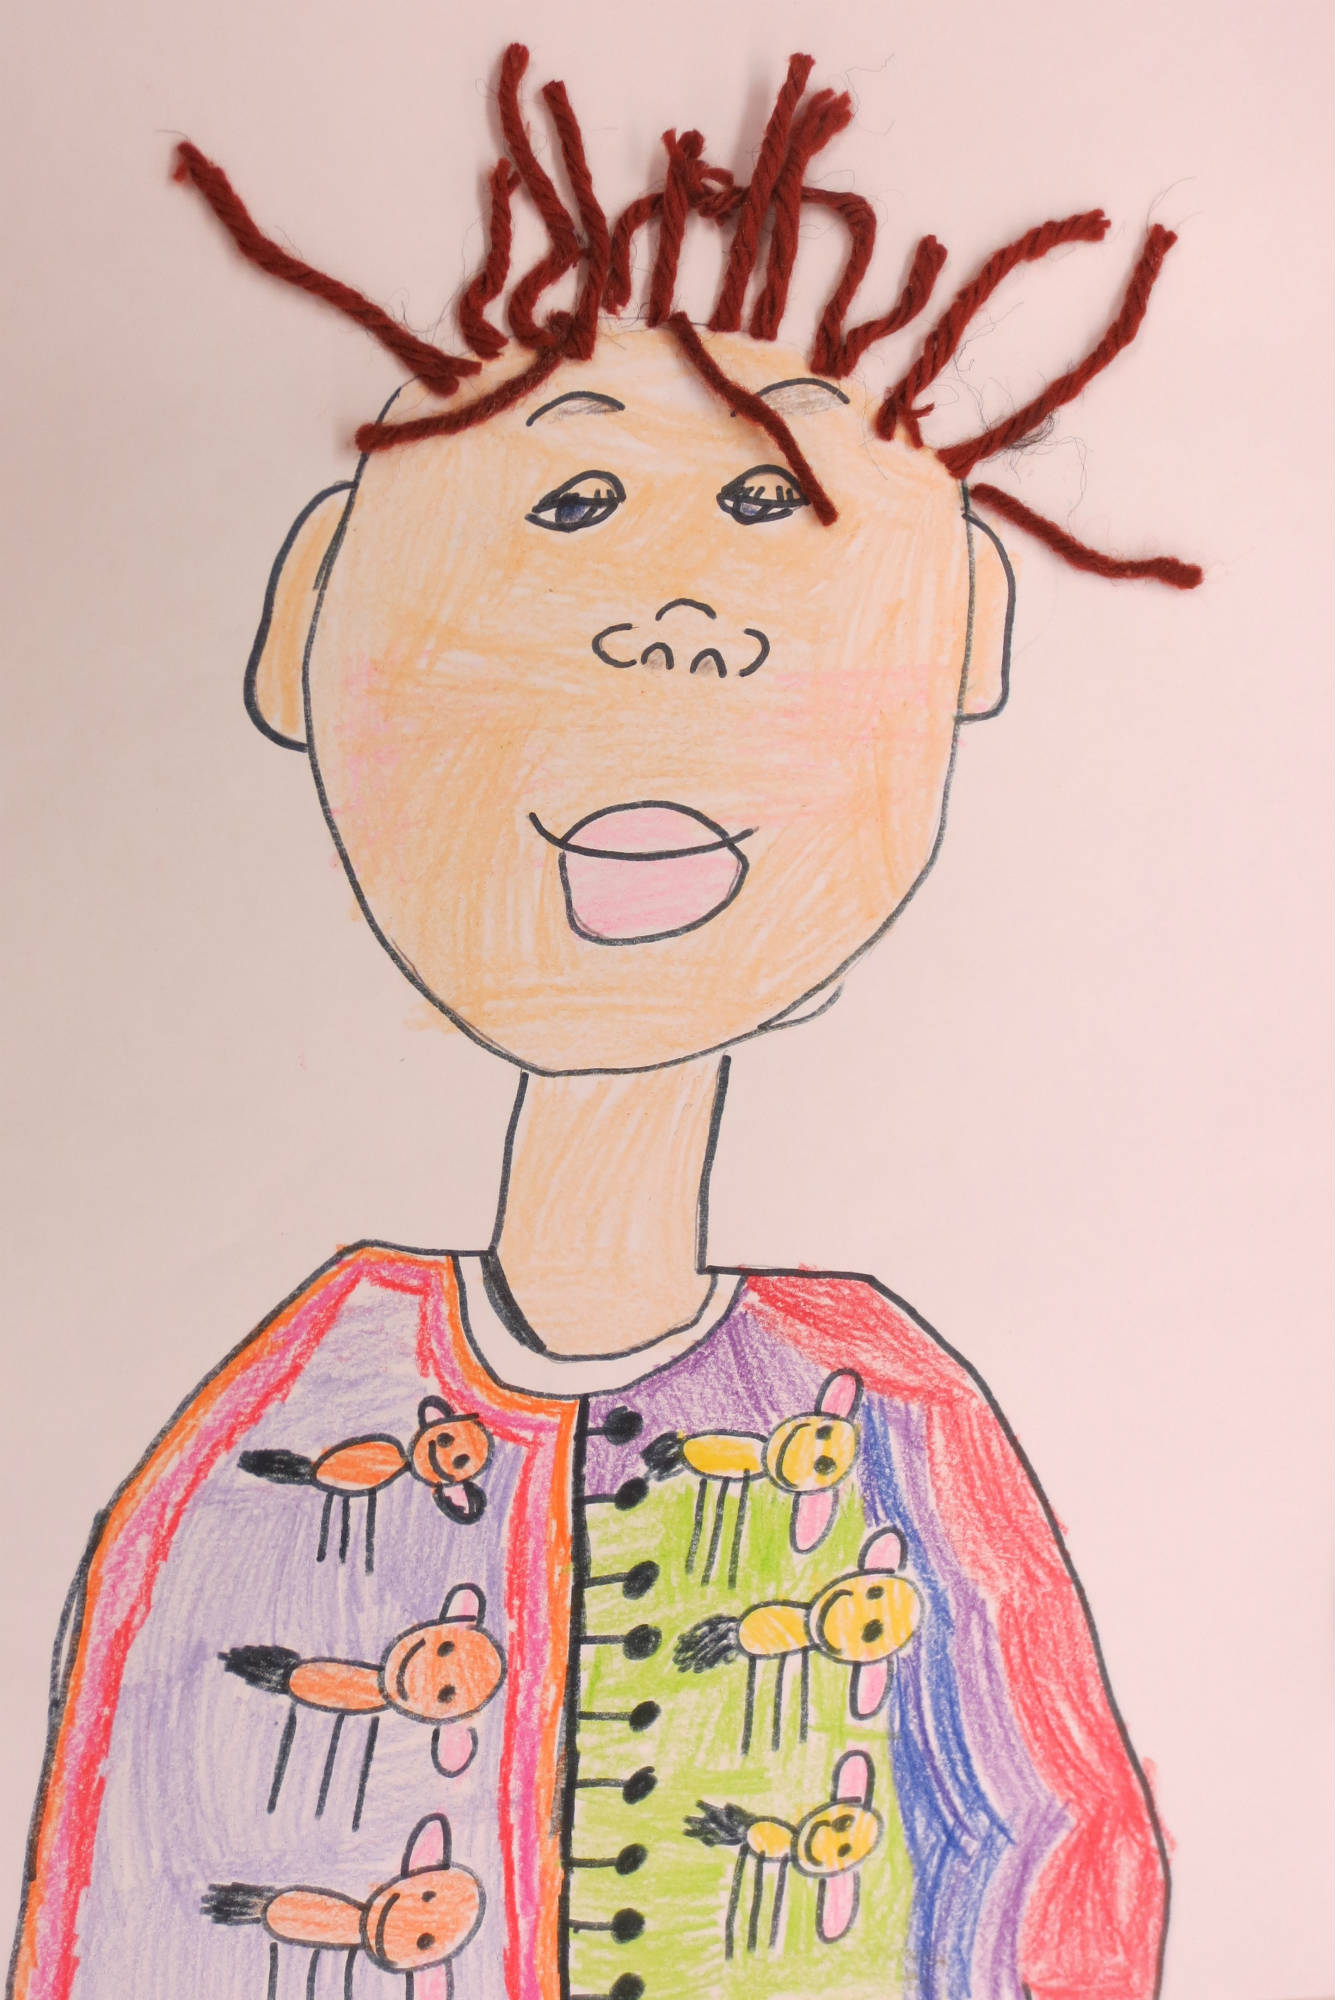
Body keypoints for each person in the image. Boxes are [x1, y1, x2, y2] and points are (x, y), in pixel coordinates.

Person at [10, 43, 1199, 2000]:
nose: (673, 617)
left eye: (768, 501)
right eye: (568, 500)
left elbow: (1053, 1887)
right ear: (305, 620)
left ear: (964, 629)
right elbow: (120, 1908)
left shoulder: (882, 1420)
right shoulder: (272, 1421)